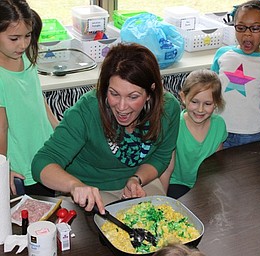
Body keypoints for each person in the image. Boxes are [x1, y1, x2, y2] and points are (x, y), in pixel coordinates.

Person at [31, 43, 181, 214]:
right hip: (90, 190)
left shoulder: (168, 109)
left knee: (162, 227)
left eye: (133, 96)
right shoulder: (87, 110)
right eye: (114, 94)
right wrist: (75, 186)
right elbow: (41, 163)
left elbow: (161, 157)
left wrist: (136, 179)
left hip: (141, 183)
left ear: (150, 91)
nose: (122, 106)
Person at [0, 0, 58, 196]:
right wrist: (3, 168)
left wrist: (58, 128)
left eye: (27, 36)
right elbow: (1, 127)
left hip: (44, 152)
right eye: (14, 38)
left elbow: (37, 97)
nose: (23, 44)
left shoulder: (26, 55)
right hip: (21, 164)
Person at [211, 0, 260, 149]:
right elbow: (210, 91)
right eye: (241, 27)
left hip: (251, 134)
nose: (247, 33)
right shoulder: (222, 54)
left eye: (255, 28)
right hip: (218, 129)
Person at [160, 69, 227, 199]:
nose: (200, 109)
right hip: (178, 183)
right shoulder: (175, 126)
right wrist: (161, 199)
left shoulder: (219, 125)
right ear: (183, 97)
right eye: (194, 102)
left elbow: (217, 163)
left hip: (206, 184)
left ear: (216, 103)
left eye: (207, 103)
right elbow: (167, 169)